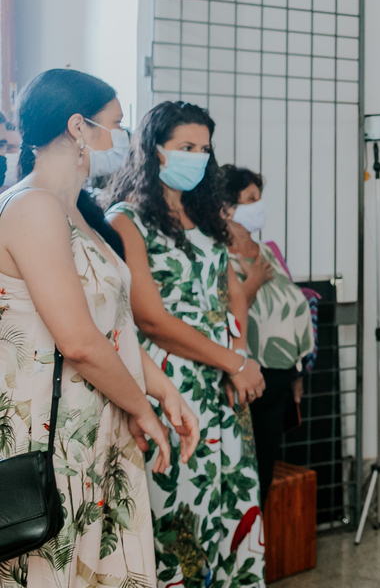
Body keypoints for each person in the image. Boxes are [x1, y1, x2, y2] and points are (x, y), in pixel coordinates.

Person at [0, 69, 198, 587]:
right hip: (52, 434)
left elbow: (113, 329)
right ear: (78, 127)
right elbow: (79, 342)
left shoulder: (82, 213)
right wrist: (142, 409)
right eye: (115, 125)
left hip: (95, 426)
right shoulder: (32, 207)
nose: (122, 140)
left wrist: (163, 387)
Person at [107, 101, 267, 588]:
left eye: (204, 148)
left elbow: (232, 291)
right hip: (171, 381)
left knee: (231, 500)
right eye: (185, 147)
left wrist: (239, 356)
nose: (197, 156)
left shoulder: (205, 216)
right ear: (154, 151)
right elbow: (150, 318)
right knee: (182, 508)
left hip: (223, 381)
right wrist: (234, 361)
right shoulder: (125, 220)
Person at [220, 165, 316, 500]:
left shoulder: (270, 251)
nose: (259, 205)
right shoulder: (218, 257)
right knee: (241, 472)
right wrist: (254, 283)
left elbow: (294, 307)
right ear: (226, 208)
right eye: (250, 199)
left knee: (264, 468)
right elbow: (226, 315)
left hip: (281, 375)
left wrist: (299, 371)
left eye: (259, 198)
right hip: (244, 376)